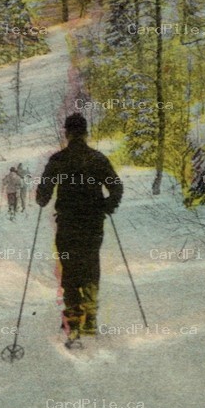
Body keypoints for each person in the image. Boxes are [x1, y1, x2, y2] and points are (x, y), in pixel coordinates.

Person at [34, 113, 123, 348]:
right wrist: (107, 206)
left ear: (67, 133)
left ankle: (73, 322)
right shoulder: (97, 158)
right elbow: (116, 187)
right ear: (85, 133)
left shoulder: (58, 160)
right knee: (91, 264)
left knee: (71, 269)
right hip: (93, 222)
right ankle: (91, 318)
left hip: (68, 224)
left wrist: (43, 198)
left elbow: (43, 194)